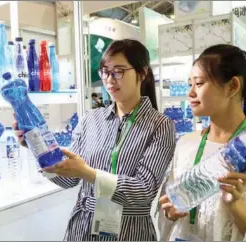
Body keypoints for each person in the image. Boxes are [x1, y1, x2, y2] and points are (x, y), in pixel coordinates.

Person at [13, 39, 176, 240]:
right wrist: (33, 145)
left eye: (118, 71)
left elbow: (143, 191)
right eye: (105, 72)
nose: (109, 79)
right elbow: (69, 178)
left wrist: (88, 173)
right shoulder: (91, 119)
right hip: (83, 229)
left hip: (130, 231)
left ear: (142, 73)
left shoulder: (160, 125)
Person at [158, 44, 246, 241]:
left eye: (199, 83)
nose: (191, 93)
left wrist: (236, 204)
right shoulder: (186, 144)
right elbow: (168, 216)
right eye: (190, 84)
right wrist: (170, 213)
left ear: (232, 86)